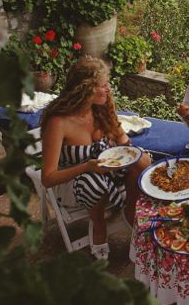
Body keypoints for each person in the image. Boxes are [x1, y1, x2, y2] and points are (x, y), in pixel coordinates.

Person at [40, 56, 151, 260]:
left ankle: (131, 212)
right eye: (103, 85)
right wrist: (86, 167)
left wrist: (135, 155)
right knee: (95, 182)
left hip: (103, 170)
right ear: (85, 88)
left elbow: (124, 142)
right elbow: (47, 178)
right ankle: (99, 227)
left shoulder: (101, 109)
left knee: (143, 161)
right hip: (71, 180)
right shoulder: (59, 122)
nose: (108, 89)